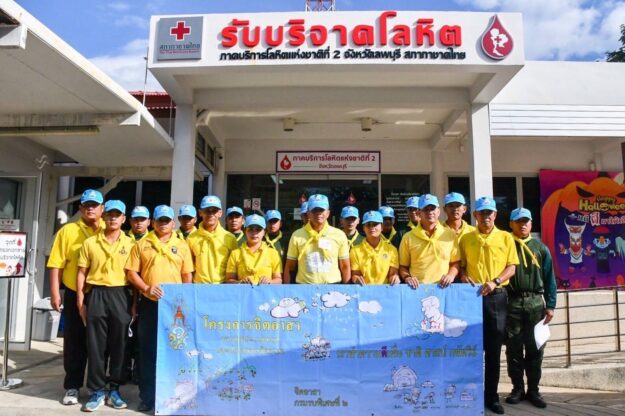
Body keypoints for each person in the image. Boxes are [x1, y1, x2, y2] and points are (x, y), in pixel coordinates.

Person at [125, 205, 193, 412]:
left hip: (174, 308)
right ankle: (148, 397)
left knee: (174, 350)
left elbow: (187, 275)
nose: (163, 224)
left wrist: (183, 300)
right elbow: (131, 273)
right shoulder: (142, 244)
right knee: (148, 351)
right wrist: (146, 288)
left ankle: (174, 396)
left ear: (173, 223)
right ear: (153, 222)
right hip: (150, 305)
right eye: (159, 220)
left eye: (167, 220)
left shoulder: (182, 245)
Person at [459, 196, 519, 415]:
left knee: (493, 351)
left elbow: (512, 267)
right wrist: (464, 276)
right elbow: (462, 266)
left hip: (496, 297)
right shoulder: (466, 238)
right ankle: (470, 395)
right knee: (470, 349)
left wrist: (495, 281)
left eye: (489, 213)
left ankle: (492, 397)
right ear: (475, 215)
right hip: (471, 298)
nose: (486, 216)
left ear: (495, 215)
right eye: (482, 213)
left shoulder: (505, 237)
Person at [47, 189, 104, 405]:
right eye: (86, 205)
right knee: (74, 341)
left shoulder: (109, 229)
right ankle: (72, 386)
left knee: (100, 343)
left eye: (94, 205)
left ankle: (98, 387)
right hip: (73, 293)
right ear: (80, 208)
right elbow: (56, 264)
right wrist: (55, 292)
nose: (90, 209)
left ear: (102, 208)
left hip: (101, 293)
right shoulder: (68, 231)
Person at [76, 200, 133, 412]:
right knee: (95, 345)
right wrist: (80, 300)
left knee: (119, 346)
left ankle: (114, 389)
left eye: (117, 215)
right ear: (104, 216)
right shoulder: (90, 242)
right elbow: (82, 272)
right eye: (109, 214)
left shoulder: (131, 244)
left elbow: (134, 275)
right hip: (97, 294)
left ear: (123, 218)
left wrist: (134, 305)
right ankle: (97, 391)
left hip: (121, 294)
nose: (113, 218)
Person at [505, 208, 557, 409]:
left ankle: (534, 390)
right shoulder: (506, 245)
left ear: (532, 224)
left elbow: (549, 278)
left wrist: (550, 305)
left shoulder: (541, 248)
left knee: (536, 348)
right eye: (518, 221)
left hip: (535, 302)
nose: (523, 225)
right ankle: (517, 388)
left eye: (526, 221)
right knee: (514, 348)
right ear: (511, 224)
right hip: (513, 302)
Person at [283, 194, 350, 284]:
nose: (318, 213)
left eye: (321, 210)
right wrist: (287, 289)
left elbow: (345, 266)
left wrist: (347, 289)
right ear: (308, 213)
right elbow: (290, 266)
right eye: (314, 210)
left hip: (332, 287)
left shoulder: (339, 235)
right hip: (304, 287)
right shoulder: (297, 235)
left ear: (328, 213)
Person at [398, 194, 460, 289]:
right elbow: (403, 266)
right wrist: (407, 278)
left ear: (438, 211)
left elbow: (455, 263)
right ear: (419, 213)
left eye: (432, 208)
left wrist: (450, 276)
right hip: (417, 289)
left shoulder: (450, 234)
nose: (430, 212)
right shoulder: (408, 237)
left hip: (444, 289)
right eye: (426, 209)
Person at [187, 195, 238, 284]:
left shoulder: (230, 238)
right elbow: (188, 269)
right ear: (200, 212)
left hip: (223, 287)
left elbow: (235, 268)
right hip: (199, 288)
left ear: (220, 213)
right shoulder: (191, 238)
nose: (211, 214)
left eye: (214, 211)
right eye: (207, 210)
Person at [226, 214, 282, 284]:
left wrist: (270, 281)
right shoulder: (235, 254)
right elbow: (229, 279)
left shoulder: (273, 253)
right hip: (243, 291)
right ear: (245, 231)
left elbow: (279, 280)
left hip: (266, 291)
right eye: (250, 229)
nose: (254, 233)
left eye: (258, 230)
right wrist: (240, 282)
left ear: (264, 232)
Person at [350, 211, 400, 285]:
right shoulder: (355, 251)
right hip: (364, 290)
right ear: (363, 228)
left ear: (382, 227)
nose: (372, 228)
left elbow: (393, 273)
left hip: (385, 290)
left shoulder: (391, 250)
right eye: (368, 225)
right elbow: (355, 274)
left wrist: (394, 278)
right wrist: (356, 279)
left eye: (375, 224)